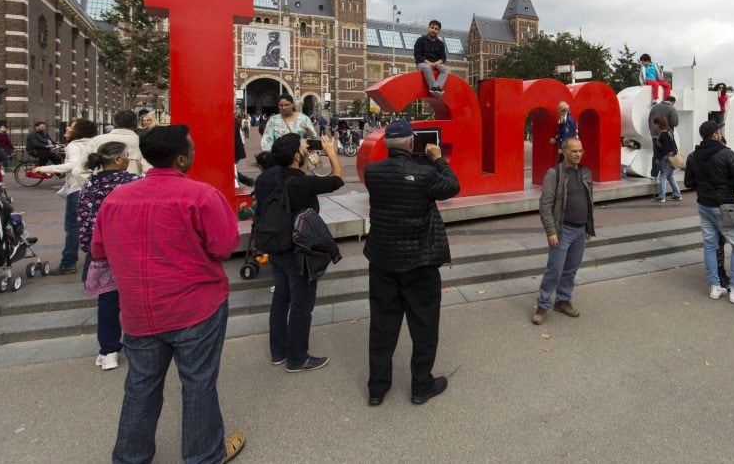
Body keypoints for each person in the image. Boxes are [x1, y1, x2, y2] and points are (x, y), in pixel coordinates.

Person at [91, 125, 245, 463]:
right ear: (181, 158)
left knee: (141, 386)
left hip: (137, 311)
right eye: (190, 148)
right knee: (198, 383)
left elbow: (99, 251)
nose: (193, 152)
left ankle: (130, 457)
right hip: (196, 308)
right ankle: (204, 455)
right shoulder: (200, 196)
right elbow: (224, 245)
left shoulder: (115, 199)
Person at [363, 119, 460, 406]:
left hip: (382, 261)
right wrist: (439, 159)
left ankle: (377, 389)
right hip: (420, 261)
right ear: (410, 143)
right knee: (424, 326)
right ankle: (421, 385)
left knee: (382, 326)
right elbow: (453, 186)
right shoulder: (426, 174)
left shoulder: (372, 172)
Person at [255, 133, 344, 372]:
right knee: (302, 304)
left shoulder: (268, 178)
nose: (306, 149)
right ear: (296, 156)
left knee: (281, 298)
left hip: (275, 246)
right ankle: (297, 358)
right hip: (298, 250)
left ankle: (278, 352)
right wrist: (331, 153)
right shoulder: (300, 182)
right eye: (302, 148)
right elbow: (337, 180)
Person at [683, 121, 734, 306]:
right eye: (719, 131)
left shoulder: (693, 156)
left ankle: (715, 286)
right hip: (726, 206)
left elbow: (688, 183)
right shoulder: (726, 153)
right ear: (715, 135)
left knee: (710, 245)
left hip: (704, 204)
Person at [77, 141, 139, 371]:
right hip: (131, 248)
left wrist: (89, 248)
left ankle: (108, 351)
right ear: (117, 160)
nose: (129, 159)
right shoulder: (132, 182)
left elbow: (83, 220)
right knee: (136, 298)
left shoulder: (89, 184)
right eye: (126, 156)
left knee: (108, 300)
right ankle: (140, 345)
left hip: (103, 250)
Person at [533, 136, 596, 324]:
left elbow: (588, 201)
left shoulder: (586, 173)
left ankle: (562, 301)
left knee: (571, 270)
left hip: (580, 229)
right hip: (562, 230)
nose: (578, 154)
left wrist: (588, 227)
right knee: (555, 270)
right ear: (564, 152)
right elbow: (545, 205)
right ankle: (542, 306)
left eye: (580, 151)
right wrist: (551, 231)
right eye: (574, 151)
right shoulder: (554, 174)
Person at [42, 118, 99, 275]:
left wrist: (43, 168)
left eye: (71, 127)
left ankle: (68, 262)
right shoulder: (95, 142)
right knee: (94, 226)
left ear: (79, 130)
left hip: (77, 188)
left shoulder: (74, 145)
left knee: (72, 227)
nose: (67, 129)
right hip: (94, 188)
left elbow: (72, 165)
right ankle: (95, 260)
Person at [87, 110, 149, 176]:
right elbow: (149, 170)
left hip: (100, 183)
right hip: (132, 184)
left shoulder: (96, 141)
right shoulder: (143, 142)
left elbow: (80, 169)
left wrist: (93, 183)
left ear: (114, 123)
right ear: (136, 124)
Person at [413, 20, 449, 98]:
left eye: (436, 29)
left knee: (445, 69)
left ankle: (437, 87)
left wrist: (438, 62)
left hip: (436, 64)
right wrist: (429, 63)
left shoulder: (441, 44)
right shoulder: (420, 40)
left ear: (438, 31)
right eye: (432, 27)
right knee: (427, 67)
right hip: (422, 64)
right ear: (428, 28)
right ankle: (433, 89)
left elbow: (444, 58)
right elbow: (417, 55)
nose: (433, 30)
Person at [651, 117, 682, 203]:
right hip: (671, 158)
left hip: (666, 159)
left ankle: (661, 197)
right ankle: (677, 194)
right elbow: (674, 147)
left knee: (662, 177)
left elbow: (666, 149)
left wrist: (659, 158)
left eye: (655, 124)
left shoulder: (663, 135)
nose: (654, 126)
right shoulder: (669, 132)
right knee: (669, 176)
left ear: (659, 124)